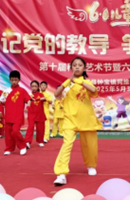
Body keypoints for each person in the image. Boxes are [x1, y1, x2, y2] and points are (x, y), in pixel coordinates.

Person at [53, 57, 102, 186]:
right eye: (74, 65)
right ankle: (61, 174)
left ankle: (91, 165)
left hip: (86, 118)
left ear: (84, 68)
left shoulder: (87, 82)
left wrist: (80, 82)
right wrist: (67, 82)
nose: (77, 67)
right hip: (70, 119)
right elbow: (56, 94)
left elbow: (94, 91)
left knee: (90, 145)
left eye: (80, 65)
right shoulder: (67, 84)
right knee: (66, 144)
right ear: (71, 68)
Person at [0, 71, 30, 156]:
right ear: (10, 80)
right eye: (12, 80)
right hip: (8, 115)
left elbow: (29, 100)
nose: (14, 82)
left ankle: (22, 146)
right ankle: (9, 149)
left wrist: (27, 108)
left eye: (16, 80)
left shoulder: (22, 91)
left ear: (19, 80)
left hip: (18, 116)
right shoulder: (6, 91)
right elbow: (0, 100)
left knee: (15, 131)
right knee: (8, 134)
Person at [25, 80, 47, 148]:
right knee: (30, 127)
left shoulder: (41, 94)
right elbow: (28, 101)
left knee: (40, 128)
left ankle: (40, 141)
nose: (34, 88)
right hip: (31, 114)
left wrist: (37, 99)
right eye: (32, 86)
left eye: (35, 86)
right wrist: (27, 108)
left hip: (39, 114)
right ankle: (27, 142)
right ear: (30, 87)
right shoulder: (29, 95)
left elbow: (44, 98)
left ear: (38, 87)